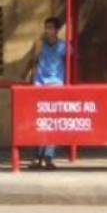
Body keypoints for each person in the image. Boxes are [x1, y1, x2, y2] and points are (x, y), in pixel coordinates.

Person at [23, 16, 68, 170]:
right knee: (39, 122)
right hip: (39, 85)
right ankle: (37, 157)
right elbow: (32, 61)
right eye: (46, 27)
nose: (47, 30)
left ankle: (48, 156)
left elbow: (72, 60)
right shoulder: (39, 45)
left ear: (56, 30)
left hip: (56, 85)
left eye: (50, 27)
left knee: (52, 123)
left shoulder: (64, 46)